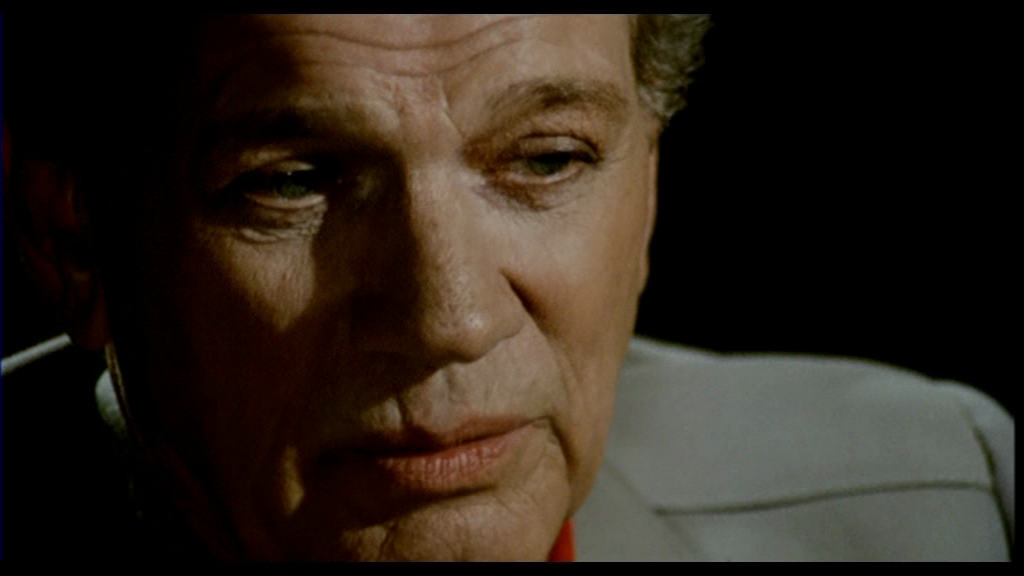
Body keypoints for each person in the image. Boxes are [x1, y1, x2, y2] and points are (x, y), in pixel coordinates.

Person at [1, 15, 1012, 561]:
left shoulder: (954, 504)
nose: (454, 318)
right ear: (71, 242)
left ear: (650, 190)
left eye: (546, 159)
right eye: (296, 181)